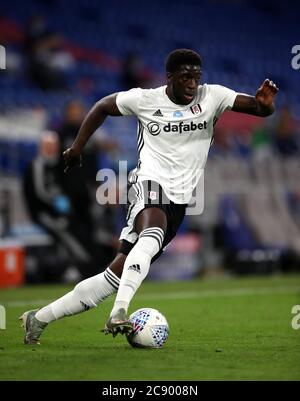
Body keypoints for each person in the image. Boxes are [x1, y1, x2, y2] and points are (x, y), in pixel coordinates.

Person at [20, 49, 278, 344]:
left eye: (196, 77)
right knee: (152, 232)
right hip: (148, 183)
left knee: (111, 277)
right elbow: (103, 106)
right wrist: (78, 147)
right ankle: (120, 311)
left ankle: (38, 318)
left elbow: (259, 108)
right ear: (170, 77)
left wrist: (266, 106)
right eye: (185, 77)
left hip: (180, 201)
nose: (192, 84)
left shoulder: (213, 96)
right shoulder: (145, 100)